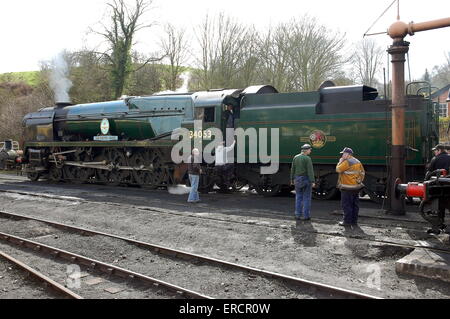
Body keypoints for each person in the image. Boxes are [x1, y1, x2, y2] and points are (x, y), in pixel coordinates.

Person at [335, 147, 365, 227]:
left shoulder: (347, 162)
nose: (342, 155)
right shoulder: (357, 161)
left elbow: (338, 169)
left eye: (343, 154)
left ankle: (347, 222)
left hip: (347, 187)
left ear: (348, 154)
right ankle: (354, 221)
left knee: (346, 205)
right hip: (356, 187)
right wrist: (359, 181)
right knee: (355, 205)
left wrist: (339, 162)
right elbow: (362, 173)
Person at [424, 144, 450, 232]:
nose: (434, 152)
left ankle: (438, 224)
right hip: (448, 186)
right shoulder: (449, 157)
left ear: (439, 150)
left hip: (438, 187)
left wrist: (425, 181)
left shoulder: (435, 159)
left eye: (435, 150)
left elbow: (429, 172)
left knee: (439, 206)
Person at [290, 144, 315, 221]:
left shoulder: (296, 157)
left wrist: (292, 179)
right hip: (306, 179)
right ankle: (306, 216)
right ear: (306, 150)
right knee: (307, 198)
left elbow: (292, 169)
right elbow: (310, 171)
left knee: (298, 197)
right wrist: (312, 181)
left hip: (297, 179)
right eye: (310, 150)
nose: (310, 151)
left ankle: (297, 215)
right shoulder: (307, 158)